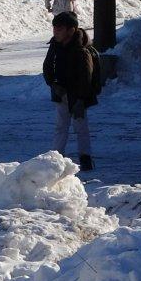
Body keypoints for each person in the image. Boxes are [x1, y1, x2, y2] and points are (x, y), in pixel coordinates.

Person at [42, 11, 98, 172]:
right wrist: (53, 84)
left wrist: (81, 99)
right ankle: (56, 157)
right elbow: (47, 67)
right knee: (61, 126)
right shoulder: (55, 45)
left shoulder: (81, 51)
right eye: (54, 28)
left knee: (80, 125)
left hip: (78, 95)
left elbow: (86, 77)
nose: (55, 32)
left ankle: (85, 157)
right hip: (62, 93)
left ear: (71, 30)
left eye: (59, 29)